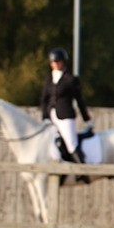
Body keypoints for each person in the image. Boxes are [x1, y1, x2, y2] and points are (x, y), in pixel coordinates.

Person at [40, 47, 92, 180]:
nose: (55, 64)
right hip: (51, 116)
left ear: (63, 62)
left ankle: (83, 171)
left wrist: (87, 119)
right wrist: (45, 117)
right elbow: (44, 99)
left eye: (58, 62)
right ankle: (57, 171)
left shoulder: (71, 79)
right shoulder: (49, 78)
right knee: (51, 143)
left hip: (65, 116)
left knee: (71, 144)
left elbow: (79, 100)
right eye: (53, 62)